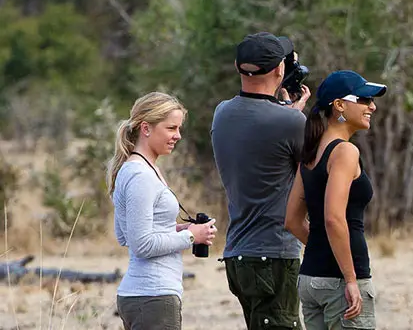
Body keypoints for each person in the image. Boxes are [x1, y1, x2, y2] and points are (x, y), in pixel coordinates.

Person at [211, 32, 311, 330]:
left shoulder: (222, 113)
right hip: (274, 254)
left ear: (238, 66)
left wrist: (288, 114)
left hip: (238, 254)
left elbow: (261, 136)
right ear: (280, 70)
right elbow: (308, 168)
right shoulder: (290, 122)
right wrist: (294, 115)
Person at [284, 70, 386, 330]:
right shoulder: (345, 151)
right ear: (339, 105)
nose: (372, 106)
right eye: (364, 100)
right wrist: (350, 278)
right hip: (339, 284)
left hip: (310, 280)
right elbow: (333, 218)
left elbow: (292, 222)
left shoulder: (310, 154)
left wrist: (324, 248)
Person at [107, 91, 218, 330]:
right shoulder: (140, 175)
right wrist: (192, 236)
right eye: (171, 128)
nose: (177, 136)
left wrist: (181, 227)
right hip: (153, 296)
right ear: (146, 128)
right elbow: (141, 244)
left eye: (178, 128)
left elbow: (125, 233)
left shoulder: (136, 169)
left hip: (145, 295)